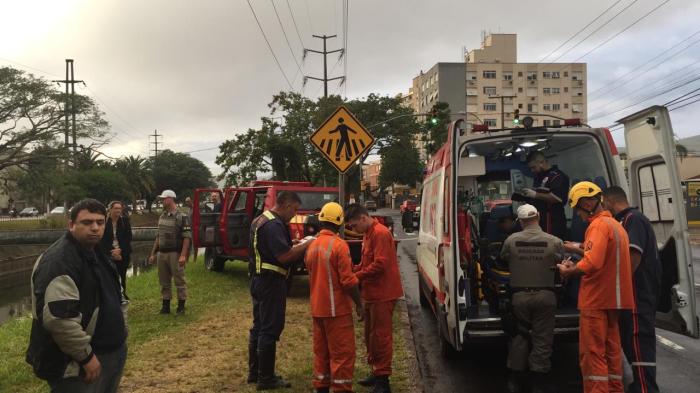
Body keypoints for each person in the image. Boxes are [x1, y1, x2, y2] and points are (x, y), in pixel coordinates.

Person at [26, 199, 128, 393]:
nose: (95, 228)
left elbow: (115, 292)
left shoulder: (96, 251)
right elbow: (59, 320)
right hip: (78, 363)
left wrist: (122, 328)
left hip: (111, 352)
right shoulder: (59, 261)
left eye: (100, 222)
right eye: (87, 222)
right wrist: (86, 357)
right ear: (71, 224)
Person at [557, 181, 634, 393]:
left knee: (593, 356)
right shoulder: (615, 226)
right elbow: (601, 257)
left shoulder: (598, 226)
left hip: (596, 301)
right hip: (613, 301)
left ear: (588, 203)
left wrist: (569, 271)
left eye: (578, 209)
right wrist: (580, 249)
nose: (578, 215)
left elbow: (592, 263)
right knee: (611, 352)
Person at [248, 191, 313, 390]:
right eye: (294, 210)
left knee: (258, 326)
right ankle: (266, 379)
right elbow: (284, 256)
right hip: (271, 282)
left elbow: (270, 248)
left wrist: (292, 244)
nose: (294, 215)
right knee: (270, 328)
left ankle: (255, 372)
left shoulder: (260, 220)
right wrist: (307, 244)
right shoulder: (275, 224)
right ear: (285, 205)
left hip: (258, 280)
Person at [602, 186, 661, 393]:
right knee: (631, 346)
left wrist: (615, 283)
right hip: (632, 296)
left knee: (639, 346)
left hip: (637, 296)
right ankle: (639, 386)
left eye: (603, 204)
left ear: (609, 201)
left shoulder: (633, 219)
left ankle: (645, 389)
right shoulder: (627, 220)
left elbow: (632, 256)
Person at [500, 204, 563, 393]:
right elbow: (563, 261)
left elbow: (503, 259)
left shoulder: (511, 240)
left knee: (520, 336)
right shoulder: (554, 241)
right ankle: (538, 382)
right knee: (543, 339)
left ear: (520, 222)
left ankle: (515, 381)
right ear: (538, 217)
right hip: (546, 297)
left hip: (519, 297)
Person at [304, 202, 364, 393]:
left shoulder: (312, 246)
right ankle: (340, 389)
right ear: (339, 223)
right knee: (342, 355)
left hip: (317, 309)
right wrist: (359, 305)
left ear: (321, 220)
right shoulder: (339, 245)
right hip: (337, 311)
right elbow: (348, 281)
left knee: (321, 353)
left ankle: (321, 387)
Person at [344, 203, 403, 393]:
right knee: (371, 336)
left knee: (380, 337)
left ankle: (383, 381)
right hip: (371, 294)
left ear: (363, 218)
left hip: (382, 294)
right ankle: (376, 372)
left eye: (353, 225)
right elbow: (366, 262)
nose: (353, 230)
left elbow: (380, 265)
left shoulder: (380, 233)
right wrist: (352, 269)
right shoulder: (368, 234)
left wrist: (356, 276)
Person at [148, 190, 191, 315]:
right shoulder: (162, 215)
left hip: (175, 253)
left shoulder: (181, 216)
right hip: (162, 253)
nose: (162, 201)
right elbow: (158, 237)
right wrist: (153, 253)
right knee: (164, 281)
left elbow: (187, 237)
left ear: (171, 199)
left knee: (179, 280)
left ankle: (181, 306)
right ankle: (165, 306)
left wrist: (183, 255)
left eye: (164, 198)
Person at [516, 151, 570, 240]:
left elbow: (557, 198)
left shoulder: (557, 176)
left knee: (552, 246)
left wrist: (535, 194)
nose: (532, 170)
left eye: (534, 167)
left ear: (541, 162)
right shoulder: (538, 177)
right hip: (541, 219)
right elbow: (538, 197)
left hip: (553, 220)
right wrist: (527, 197)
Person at [100, 201, 133, 300]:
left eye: (119, 208)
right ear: (110, 209)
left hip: (122, 252)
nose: (118, 210)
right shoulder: (104, 221)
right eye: (116, 208)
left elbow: (128, 237)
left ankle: (122, 294)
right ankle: (109, 295)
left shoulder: (125, 221)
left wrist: (120, 250)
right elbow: (102, 239)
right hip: (108, 253)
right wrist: (112, 251)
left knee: (122, 274)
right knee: (108, 275)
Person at [184, 197, 199, 263]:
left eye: (188, 201)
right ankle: (187, 260)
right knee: (188, 245)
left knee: (195, 245)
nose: (187, 203)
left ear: (191, 201)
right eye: (186, 202)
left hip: (194, 230)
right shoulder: (189, 210)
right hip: (189, 229)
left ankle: (195, 260)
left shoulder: (195, 209)